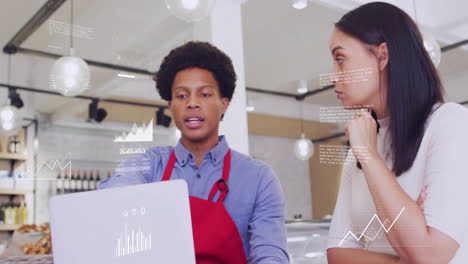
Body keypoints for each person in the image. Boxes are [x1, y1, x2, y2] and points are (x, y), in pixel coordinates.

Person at [99, 41, 289, 263]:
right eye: (181, 96)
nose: (192, 103)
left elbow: (271, 255)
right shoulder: (150, 165)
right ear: (171, 105)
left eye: (205, 94)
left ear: (224, 103)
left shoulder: (259, 179)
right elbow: (114, 192)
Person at [326, 2, 468, 264]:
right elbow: (337, 254)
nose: (333, 77)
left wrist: (370, 157)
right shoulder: (361, 145)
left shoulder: (450, 123)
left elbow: (430, 255)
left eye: (340, 59)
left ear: (382, 56)